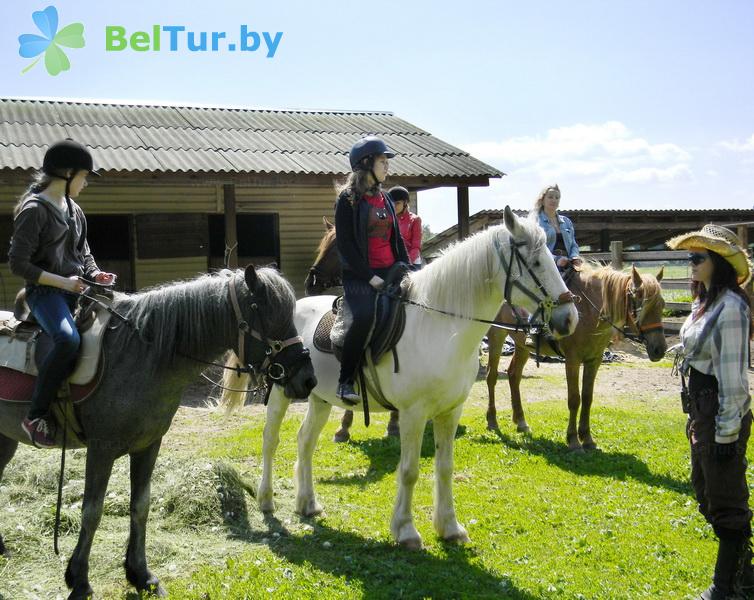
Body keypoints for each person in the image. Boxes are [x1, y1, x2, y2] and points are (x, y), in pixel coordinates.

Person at [8, 139, 116, 448]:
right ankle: (36, 415)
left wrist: (96, 273)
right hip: (44, 294)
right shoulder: (33, 210)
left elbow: (85, 253)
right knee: (67, 339)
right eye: (83, 176)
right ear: (66, 173)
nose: (84, 184)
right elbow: (18, 264)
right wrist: (63, 283)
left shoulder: (74, 209)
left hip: (77, 291)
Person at [667, 224, 754, 599]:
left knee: (726, 501)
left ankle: (725, 588)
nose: (691, 263)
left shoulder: (732, 308)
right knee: (705, 493)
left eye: (697, 257)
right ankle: (747, 573)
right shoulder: (705, 302)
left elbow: (734, 380)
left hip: (720, 410)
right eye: (690, 256)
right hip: (701, 410)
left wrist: (726, 434)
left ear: (717, 263)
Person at [334, 136, 408, 402]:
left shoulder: (386, 198)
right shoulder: (347, 200)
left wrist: (407, 268)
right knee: (364, 317)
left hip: (392, 270)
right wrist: (370, 277)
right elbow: (346, 246)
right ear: (366, 164)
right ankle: (345, 381)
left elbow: (396, 238)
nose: (387, 166)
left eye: (387, 162)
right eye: (382, 161)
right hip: (359, 278)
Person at [530, 184, 582, 269]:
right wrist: (556, 259)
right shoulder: (535, 221)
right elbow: (535, 248)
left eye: (557, 198)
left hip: (568, 265)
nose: (554, 200)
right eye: (550, 197)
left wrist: (574, 257)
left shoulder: (567, 221)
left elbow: (574, 245)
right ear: (542, 200)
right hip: (545, 267)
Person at [388, 186, 423, 269]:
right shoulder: (387, 219)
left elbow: (416, 247)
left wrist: (407, 264)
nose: (394, 206)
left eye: (397, 203)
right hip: (392, 261)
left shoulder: (415, 220)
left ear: (405, 203)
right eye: (392, 203)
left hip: (411, 262)